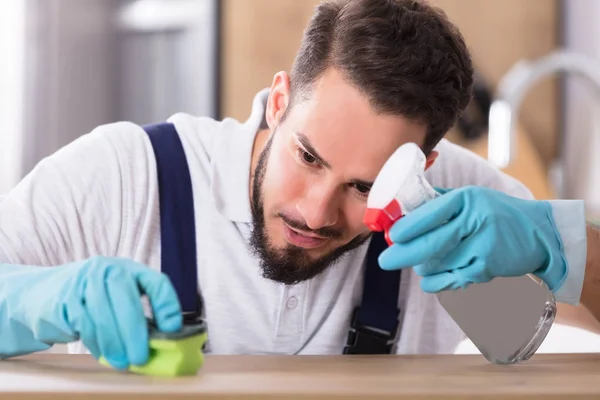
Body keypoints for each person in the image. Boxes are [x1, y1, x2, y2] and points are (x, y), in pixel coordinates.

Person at [0, 0, 592, 369]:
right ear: (279, 100)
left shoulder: (451, 209)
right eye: (308, 156)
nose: (315, 211)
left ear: (425, 166)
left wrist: (562, 245)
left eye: (363, 186)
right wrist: (40, 299)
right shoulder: (126, 174)